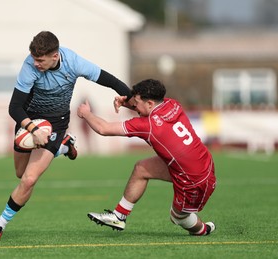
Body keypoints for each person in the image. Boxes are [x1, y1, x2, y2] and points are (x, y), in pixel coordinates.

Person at [0, 31, 133, 241]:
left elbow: (110, 80)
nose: (36, 64)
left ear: (55, 56)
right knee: (20, 173)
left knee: (29, 179)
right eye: (34, 59)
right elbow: (14, 107)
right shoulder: (29, 67)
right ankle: (64, 146)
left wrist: (129, 99)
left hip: (55, 123)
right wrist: (33, 131)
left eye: (40, 60)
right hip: (29, 121)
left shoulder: (74, 62)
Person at [77, 79, 217, 236]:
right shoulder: (172, 104)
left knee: (177, 217)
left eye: (136, 103)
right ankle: (118, 216)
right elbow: (146, 109)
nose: (134, 106)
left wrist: (86, 113)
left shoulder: (148, 125)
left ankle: (203, 230)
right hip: (202, 163)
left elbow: (104, 129)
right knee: (141, 169)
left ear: (150, 103)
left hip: (194, 181)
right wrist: (127, 103)